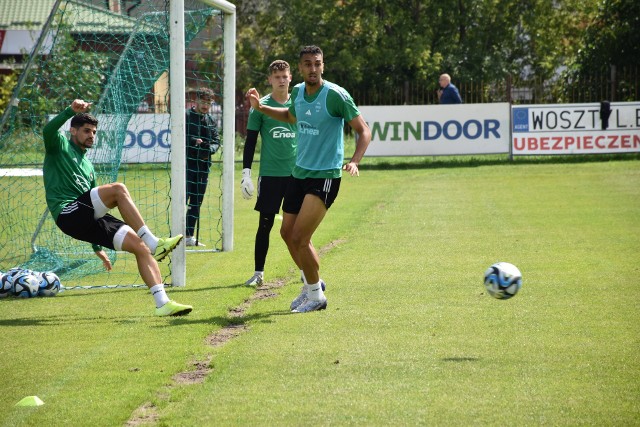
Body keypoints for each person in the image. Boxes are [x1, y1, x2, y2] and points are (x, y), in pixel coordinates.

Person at [246, 45, 371, 313]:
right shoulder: (299, 93)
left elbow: (364, 130)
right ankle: (312, 284)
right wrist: (262, 107)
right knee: (287, 233)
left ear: (323, 65)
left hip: (324, 176)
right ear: (299, 68)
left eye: (317, 63)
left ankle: (316, 296)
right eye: (307, 64)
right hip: (298, 173)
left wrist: (355, 160)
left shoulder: (336, 95)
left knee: (301, 237)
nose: (312, 68)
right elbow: (291, 116)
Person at [43, 99, 191, 317]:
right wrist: (69, 111)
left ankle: (162, 303)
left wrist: (97, 248)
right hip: (66, 213)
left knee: (139, 247)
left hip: (83, 218)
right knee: (118, 189)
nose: (91, 135)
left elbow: (94, 208)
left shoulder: (88, 166)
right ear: (73, 131)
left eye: (94, 132)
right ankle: (154, 242)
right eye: (86, 131)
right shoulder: (59, 145)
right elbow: (48, 129)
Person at [240, 60, 299, 287]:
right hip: (271, 175)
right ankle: (258, 273)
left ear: (290, 77)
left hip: (297, 176)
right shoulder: (260, 106)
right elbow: (251, 141)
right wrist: (246, 173)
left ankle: (306, 272)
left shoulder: (299, 103)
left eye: (285, 76)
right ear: (270, 80)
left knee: (297, 227)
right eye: (277, 77)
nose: (281, 80)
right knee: (265, 224)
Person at [185, 87, 221, 247]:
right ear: (196, 100)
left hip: (203, 166)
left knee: (196, 202)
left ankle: (188, 235)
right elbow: (181, 136)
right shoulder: (186, 116)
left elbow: (216, 141)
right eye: (203, 101)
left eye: (209, 102)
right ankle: (176, 235)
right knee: (181, 200)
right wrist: (194, 142)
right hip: (186, 165)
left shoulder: (211, 120)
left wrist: (208, 148)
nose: (206, 105)